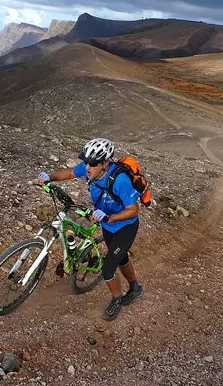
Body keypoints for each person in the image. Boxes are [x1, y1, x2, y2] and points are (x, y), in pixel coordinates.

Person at [38, 137, 144, 321]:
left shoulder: (120, 181)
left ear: (105, 163)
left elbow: (134, 209)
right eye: (86, 162)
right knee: (122, 258)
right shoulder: (90, 170)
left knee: (108, 269)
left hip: (124, 227)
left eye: (93, 163)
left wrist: (110, 217)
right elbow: (71, 173)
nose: (87, 167)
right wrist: (50, 177)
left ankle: (117, 299)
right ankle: (135, 287)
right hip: (108, 226)